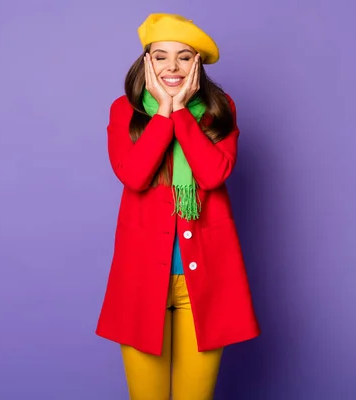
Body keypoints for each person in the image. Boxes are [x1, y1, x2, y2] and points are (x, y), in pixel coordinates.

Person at [96, 13, 261, 400]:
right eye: (161, 56)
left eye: (184, 57)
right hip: (140, 283)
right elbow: (133, 176)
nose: (172, 66)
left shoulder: (220, 108)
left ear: (197, 64)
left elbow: (213, 174)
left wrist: (183, 112)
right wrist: (163, 114)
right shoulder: (124, 110)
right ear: (146, 62)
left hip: (204, 283)